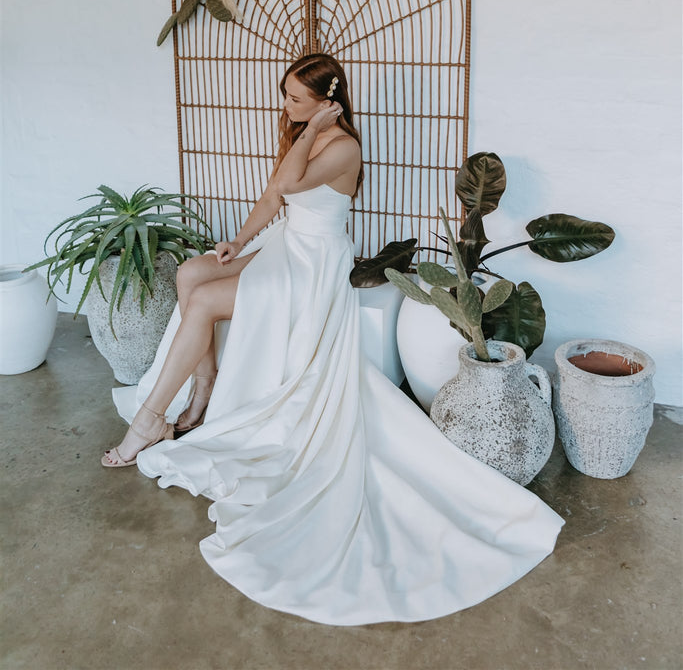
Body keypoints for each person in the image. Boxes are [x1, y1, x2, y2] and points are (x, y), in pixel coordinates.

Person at [105, 52, 564, 626]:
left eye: (297, 98)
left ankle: (149, 421)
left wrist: (317, 127)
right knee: (193, 272)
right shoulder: (306, 130)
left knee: (201, 301)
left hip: (313, 264)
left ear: (329, 99)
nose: (286, 107)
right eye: (287, 97)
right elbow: (275, 198)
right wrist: (237, 242)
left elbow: (292, 180)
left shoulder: (341, 146)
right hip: (283, 245)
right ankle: (204, 390)